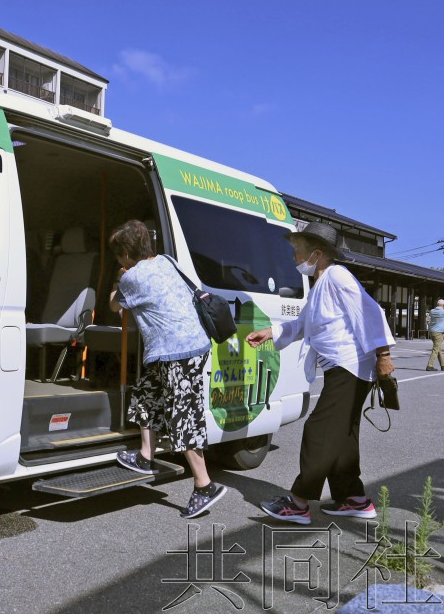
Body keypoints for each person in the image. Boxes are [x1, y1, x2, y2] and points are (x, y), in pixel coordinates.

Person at [245, 222, 395, 524]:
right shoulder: (321, 284)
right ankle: (353, 498)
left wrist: (384, 355)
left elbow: (371, 312)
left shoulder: (337, 276)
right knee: (343, 436)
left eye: (297, 251)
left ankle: (298, 503)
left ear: (316, 253)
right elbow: (301, 325)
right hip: (344, 368)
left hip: (349, 367)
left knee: (320, 430)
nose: (294, 257)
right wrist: (271, 332)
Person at [108, 220, 225, 518]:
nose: (118, 260)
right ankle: (146, 456)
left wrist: (117, 280)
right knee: (147, 395)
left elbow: (113, 306)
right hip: (184, 347)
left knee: (183, 416)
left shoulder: (133, 278)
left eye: (118, 255)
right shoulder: (166, 261)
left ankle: (204, 484)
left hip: (178, 352)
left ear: (125, 254)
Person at [427, 299, 444, 371]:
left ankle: (443, 365)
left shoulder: (432, 311)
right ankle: (429, 365)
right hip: (439, 332)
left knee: (438, 348)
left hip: (431, 331)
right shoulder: (443, 312)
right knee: (436, 349)